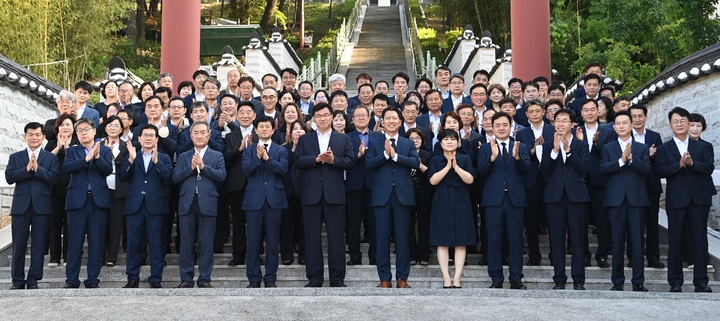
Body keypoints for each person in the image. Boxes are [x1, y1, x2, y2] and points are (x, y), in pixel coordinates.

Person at [294, 103, 356, 287]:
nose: (322, 118)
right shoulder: (306, 140)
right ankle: (315, 277)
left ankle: (337, 278)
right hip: (311, 194)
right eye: (318, 115)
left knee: (336, 237)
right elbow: (297, 160)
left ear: (332, 117)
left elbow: (351, 161)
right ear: (313, 119)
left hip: (334, 194)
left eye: (326, 115)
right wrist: (315, 159)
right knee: (312, 237)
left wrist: (333, 160)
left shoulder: (342, 139)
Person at [656, 107, 714, 293]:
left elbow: (708, 168)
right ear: (670, 125)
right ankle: (675, 281)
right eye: (675, 121)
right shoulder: (664, 148)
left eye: (683, 121)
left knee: (700, 241)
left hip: (699, 199)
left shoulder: (703, 146)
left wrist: (692, 164)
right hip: (677, 199)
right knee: (675, 241)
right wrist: (678, 165)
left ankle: (701, 282)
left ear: (689, 123)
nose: (679, 124)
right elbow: (660, 171)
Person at [477, 111, 531, 290]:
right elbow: (481, 172)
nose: (501, 128)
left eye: (504, 125)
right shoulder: (485, 148)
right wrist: (491, 158)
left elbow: (528, 170)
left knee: (516, 240)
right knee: (494, 240)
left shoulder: (520, 146)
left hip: (515, 200)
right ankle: (496, 277)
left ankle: (516, 277)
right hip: (493, 200)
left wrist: (518, 158)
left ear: (512, 127)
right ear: (492, 128)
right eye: (497, 125)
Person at [598, 110, 651, 292]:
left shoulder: (641, 148)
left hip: (637, 200)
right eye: (618, 123)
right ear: (614, 127)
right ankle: (617, 281)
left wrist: (632, 159)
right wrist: (620, 161)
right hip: (615, 200)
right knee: (618, 241)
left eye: (624, 123)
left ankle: (638, 281)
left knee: (637, 242)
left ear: (631, 125)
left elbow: (647, 170)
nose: (621, 126)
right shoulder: (608, 148)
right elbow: (602, 169)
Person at [366, 107, 419, 288]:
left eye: (394, 118)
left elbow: (415, 162)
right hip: (381, 196)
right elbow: (369, 164)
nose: (391, 121)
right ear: (382, 122)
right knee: (381, 238)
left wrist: (395, 156)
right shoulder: (374, 142)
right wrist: (385, 155)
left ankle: (402, 278)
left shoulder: (407, 143)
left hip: (403, 196)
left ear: (400, 121)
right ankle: (385, 278)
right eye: (387, 118)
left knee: (403, 238)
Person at [118, 124, 173, 288]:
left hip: (156, 207)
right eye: (145, 135)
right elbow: (122, 177)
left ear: (157, 139)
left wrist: (157, 163)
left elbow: (169, 178)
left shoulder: (164, 158)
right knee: (133, 244)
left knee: (156, 244)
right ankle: (132, 278)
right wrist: (130, 160)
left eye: (152, 135)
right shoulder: (132, 155)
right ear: (139, 139)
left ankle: (156, 278)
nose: (148, 138)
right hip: (135, 206)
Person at [173, 121, 227, 288]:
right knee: (186, 242)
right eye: (195, 132)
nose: (199, 135)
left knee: (206, 242)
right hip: (187, 203)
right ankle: (186, 279)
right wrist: (191, 167)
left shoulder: (217, 156)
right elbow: (175, 178)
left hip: (208, 202)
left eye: (203, 132)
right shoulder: (183, 156)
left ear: (209, 136)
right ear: (190, 136)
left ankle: (204, 278)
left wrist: (203, 167)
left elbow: (222, 176)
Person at [540, 109, 590, 290]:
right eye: (557, 120)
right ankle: (559, 278)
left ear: (573, 124)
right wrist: (554, 150)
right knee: (556, 239)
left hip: (576, 196)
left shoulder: (581, 145)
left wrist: (568, 151)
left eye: (564, 120)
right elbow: (544, 172)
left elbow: (584, 169)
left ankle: (578, 279)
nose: (560, 124)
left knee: (577, 239)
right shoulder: (547, 146)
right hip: (554, 197)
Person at [6, 122, 59, 289]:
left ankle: (33, 279)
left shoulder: (51, 158)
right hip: (21, 207)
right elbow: (9, 177)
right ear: (24, 136)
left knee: (38, 245)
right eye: (30, 134)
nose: (34, 138)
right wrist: (27, 168)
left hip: (42, 207)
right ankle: (17, 281)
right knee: (18, 245)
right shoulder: (15, 157)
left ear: (43, 137)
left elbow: (54, 179)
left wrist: (38, 169)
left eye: (37, 135)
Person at [63, 118, 113, 288]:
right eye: (80, 130)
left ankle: (92, 279)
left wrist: (97, 157)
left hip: (98, 201)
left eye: (86, 129)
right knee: (74, 242)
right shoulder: (72, 151)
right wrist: (86, 159)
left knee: (96, 243)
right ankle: (72, 279)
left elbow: (108, 170)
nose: (84, 133)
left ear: (94, 131)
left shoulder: (104, 150)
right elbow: (67, 168)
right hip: (77, 202)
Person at [242, 116, 289, 288]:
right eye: (260, 127)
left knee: (272, 242)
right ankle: (253, 279)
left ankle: (270, 279)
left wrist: (267, 159)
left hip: (274, 201)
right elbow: (246, 170)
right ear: (255, 130)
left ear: (273, 128)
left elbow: (283, 169)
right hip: (254, 201)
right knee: (253, 242)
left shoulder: (281, 150)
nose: (264, 129)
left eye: (267, 126)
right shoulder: (249, 149)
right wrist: (257, 158)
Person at [428, 129, 475, 288]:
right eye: (446, 139)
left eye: (453, 139)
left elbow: (470, 180)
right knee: (442, 242)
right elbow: (433, 181)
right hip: (442, 199)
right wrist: (448, 166)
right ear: (440, 143)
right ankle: (446, 277)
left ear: (458, 142)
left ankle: (457, 278)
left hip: (461, 199)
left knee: (461, 242)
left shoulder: (465, 158)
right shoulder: (435, 159)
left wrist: (456, 167)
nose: (449, 142)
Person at [515, 99, 555, 266]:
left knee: (553, 220)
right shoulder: (522, 133)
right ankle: (534, 256)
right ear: (527, 114)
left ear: (543, 112)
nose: (535, 114)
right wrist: (532, 150)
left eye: (538, 111)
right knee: (531, 221)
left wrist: (545, 147)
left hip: (551, 179)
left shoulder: (552, 130)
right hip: (530, 180)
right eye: (531, 112)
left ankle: (555, 255)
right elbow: (522, 157)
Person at [577, 99, 615, 268]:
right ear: (581, 113)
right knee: (580, 221)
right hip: (580, 180)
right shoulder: (575, 130)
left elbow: (610, 154)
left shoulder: (608, 132)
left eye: (593, 109)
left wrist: (596, 144)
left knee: (602, 220)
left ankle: (602, 254)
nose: (590, 112)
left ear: (598, 112)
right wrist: (580, 142)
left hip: (601, 181)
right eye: (586, 110)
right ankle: (584, 254)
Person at [345, 106, 383, 266]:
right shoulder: (346, 138)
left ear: (369, 118)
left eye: (364, 115)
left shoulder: (378, 137)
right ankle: (354, 255)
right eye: (357, 116)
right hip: (353, 186)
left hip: (374, 185)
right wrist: (358, 155)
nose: (361, 118)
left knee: (374, 222)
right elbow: (344, 161)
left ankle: (374, 255)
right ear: (352, 119)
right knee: (353, 223)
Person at [629, 105, 665, 269]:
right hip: (631, 184)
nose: (637, 119)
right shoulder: (624, 135)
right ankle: (633, 257)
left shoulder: (654, 136)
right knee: (633, 224)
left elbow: (661, 160)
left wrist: (649, 157)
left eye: (640, 116)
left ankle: (653, 257)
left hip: (650, 184)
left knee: (651, 223)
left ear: (645, 117)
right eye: (634, 116)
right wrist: (645, 155)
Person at [222, 102, 258, 266]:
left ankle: (256, 254)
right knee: (238, 221)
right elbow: (226, 157)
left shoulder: (261, 133)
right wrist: (240, 148)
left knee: (256, 222)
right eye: (241, 112)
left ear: (254, 116)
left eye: (248, 112)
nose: (245, 115)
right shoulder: (231, 136)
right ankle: (238, 255)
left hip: (256, 182)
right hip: (237, 184)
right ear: (236, 116)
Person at [45, 113, 77, 267]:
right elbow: (44, 162)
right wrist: (58, 148)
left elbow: (78, 161)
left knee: (70, 225)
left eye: (68, 125)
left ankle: (68, 256)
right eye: (62, 125)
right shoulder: (51, 144)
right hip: (54, 189)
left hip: (72, 188)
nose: (65, 127)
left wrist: (67, 148)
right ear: (57, 128)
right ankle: (54, 257)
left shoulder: (78, 143)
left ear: (74, 128)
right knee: (54, 224)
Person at [101, 116, 130, 267]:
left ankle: (112, 256)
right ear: (105, 128)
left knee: (116, 223)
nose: (112, 127)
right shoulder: (98, 144)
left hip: (119, 188)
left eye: (116, 125)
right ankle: (100, 255)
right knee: (100, 223)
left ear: (121, 128)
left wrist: (114, 154)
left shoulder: (127, 146)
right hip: (101, 187)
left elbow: (126, 166)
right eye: (109, 125)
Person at [280, 120, 309, 265]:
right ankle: (287, 253)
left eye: (301, 129)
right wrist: (294, 149)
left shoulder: (310, 148)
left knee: (304, 224)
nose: (298, 131)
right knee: (286, 224)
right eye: (295, 129)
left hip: (306, 190)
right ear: (290, 133)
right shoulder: (284, 149)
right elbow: (283, 167)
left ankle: (303, 253)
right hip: (287, 191)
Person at [406, 128, 433, 266]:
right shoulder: (403, 154)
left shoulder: (428, 155)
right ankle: (411, 254)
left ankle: (424, 255)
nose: (415, 141)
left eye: (418, 138)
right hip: (407, 194)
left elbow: (431, 175)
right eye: (411, 138)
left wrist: (419, 164)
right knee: (408, 225)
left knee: (424, 225)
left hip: (424, 194)